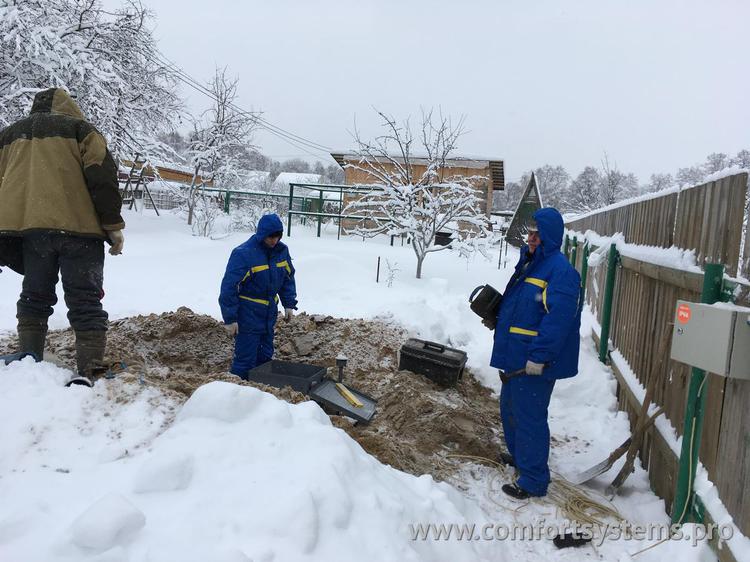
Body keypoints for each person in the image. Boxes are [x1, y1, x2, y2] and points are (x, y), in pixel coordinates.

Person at [0, 88, 125, 386]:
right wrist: (113, 225)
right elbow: (102, 178)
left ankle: (30, 359)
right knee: (85, 298)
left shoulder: (9, 137)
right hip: (81, 233)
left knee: (35, 294)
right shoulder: (82, 130)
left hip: (32, 232)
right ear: (70, 107)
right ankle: (91, 368)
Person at [489, 207, 581, 499]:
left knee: (530, 417)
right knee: (511, 409)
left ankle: (533, 479)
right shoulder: (531, 265)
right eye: (529, 233)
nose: (531, 239)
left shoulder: (561, 272)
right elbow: (522, 305)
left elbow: (558, 320)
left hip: (533, 360)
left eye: (537, 235)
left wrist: (539, 356)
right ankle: (520, 458)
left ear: (550, 237)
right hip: (516, 355)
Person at [219, 213, 297, 378]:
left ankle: (260, 395)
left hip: (269, 313)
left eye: (277, 236)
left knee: (265, 357)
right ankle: (237, 392)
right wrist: (230, 318)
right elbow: (229, 287)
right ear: (262, 234)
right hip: (248, 313)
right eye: (270, 237)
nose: (274, 240)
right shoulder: (244, 254)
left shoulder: (282, 251)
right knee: (245, 359)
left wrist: (289, 303)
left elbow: (287, 278)